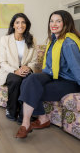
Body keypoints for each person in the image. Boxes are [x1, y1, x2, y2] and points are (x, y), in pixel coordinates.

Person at [15, 10, 80, 138]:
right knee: (30, 79)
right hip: (53, 76)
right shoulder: (53, 41)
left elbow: (77, 68)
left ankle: (26, 123)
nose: (53, 24)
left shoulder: (68, 43)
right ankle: (41, 119)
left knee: (31, 88)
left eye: (58, 21)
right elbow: (49, 68)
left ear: (65, 23)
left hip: (69, 82)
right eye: (51, 21)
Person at [0, 13, 37, 122]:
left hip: (25, 70)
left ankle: (23, 113)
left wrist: (29, 68)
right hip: (9, 70)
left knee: (28, 80)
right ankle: (11, 110)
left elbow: (34, 61)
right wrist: (15, 70)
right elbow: (3, 62)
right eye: (17, 22)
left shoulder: (32, 39)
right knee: (16, 80)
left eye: (23, 22)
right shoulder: (5, 39)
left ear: (27, 25)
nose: (21, 25)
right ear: (13, 25)